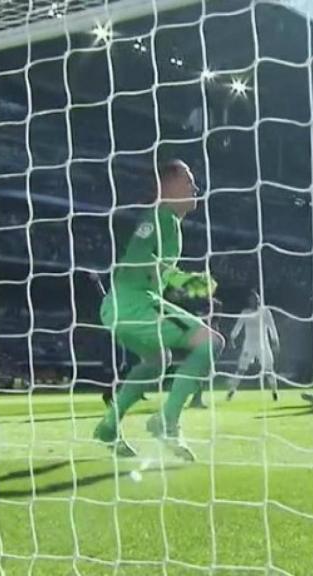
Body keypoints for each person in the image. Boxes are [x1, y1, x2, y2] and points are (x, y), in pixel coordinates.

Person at [92, 160, 224, 460]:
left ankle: (109, 426)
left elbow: (155, 267)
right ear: (168, 185)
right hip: (132, 303)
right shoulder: (159, 216)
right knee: (211, 342)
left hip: (120, 307)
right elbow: (138, 257)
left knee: (156, 361)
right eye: (188, 180)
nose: (195, 187)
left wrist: (182, 280)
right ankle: (167, 420)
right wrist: (182, 278)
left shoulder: (169, 223)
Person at [225, 291, 280, 401]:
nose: (253, 301)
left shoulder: (265, 311)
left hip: (263, 345)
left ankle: (274, 392)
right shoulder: (245, 312)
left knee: (269, 370)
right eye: (251, 299)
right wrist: (232, 337)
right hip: (249, 345)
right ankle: (231, 391)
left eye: (256, 299)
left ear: (259, 300)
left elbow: (272, 327)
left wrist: (275, 341)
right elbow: (239, 325)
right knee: (241, 369)